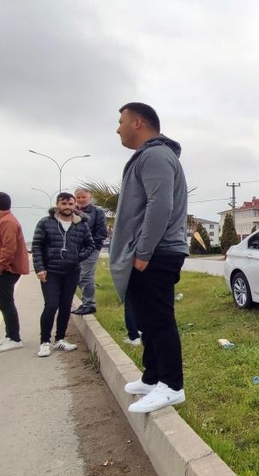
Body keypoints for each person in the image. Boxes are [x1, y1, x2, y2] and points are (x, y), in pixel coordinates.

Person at [110, 102, 189, 413]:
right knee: (146, 320)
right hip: (150, 252)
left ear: (138, 123)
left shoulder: (155, 155)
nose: (118, 128)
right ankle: (153, 376)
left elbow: (160, 206)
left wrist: (143, 252)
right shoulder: (149, 155)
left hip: (157, 252)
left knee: (158, 319)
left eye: (121, 122)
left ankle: (172, 386)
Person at [32, 192, 94, 357]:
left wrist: (77, 257)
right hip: (50, 272)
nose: (67, 207)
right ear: (58, 204)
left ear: (75, 206)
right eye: (64, 204)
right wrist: (39, 268)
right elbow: (37, 246)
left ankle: (60, 339)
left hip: (71, 272)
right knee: (51, 305)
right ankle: (45, 341)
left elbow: (90, 244)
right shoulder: (46, 223)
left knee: (66, 306)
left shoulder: (81, 224)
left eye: (70, 204)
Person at [0, 192, 30, 353]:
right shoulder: (5, 220)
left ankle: (14, 338)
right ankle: (10, 335)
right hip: (6, 268)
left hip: (7, 270)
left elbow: (8, 249)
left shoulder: (7, 222)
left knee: (6, 303)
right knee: (4, 303)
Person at [72, 188, 108, 316]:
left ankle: (89, 304)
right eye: (78, 197)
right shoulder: (72, 212)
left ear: (90, 198)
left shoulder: (97, 212)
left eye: (83, 197)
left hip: (91, 249)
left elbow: (102, 232)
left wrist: (92, 246)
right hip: (75, 251)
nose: (81, 200)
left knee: (85, 276)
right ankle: (85, 302)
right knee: (75, 277)